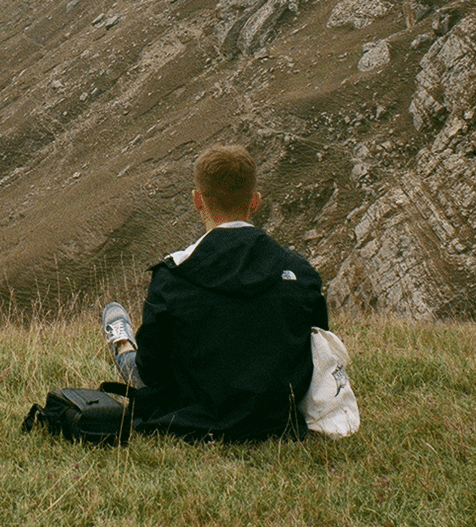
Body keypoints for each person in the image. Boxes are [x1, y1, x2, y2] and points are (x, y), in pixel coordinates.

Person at [102, 144, 329, 442]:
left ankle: (121, 342)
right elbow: (316, 350)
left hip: (192, 416)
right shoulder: (301, 272)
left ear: (198, 200)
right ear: (256, 201)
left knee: (131, 357)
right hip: (275, 418)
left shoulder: (172, 276)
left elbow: (152, 374)